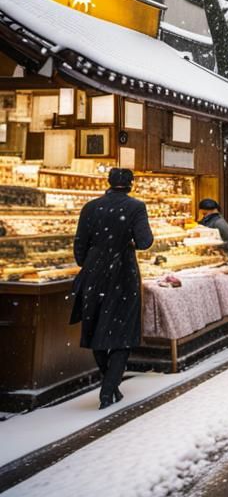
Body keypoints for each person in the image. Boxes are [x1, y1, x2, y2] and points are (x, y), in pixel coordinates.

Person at [71, 167, 153, 409]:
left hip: (94, 273)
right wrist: (125, 241)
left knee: (96, 328)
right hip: (123, 272)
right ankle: (108, 391)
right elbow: (145, 242)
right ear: (130, 185)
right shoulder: (136, 207)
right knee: (123, 334)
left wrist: (91, 262)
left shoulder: (91, 207)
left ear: (108, 183)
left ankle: (110, 385)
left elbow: (79, 246)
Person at [197, 198, 228, 268]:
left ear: (210, 210)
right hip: (224, 249)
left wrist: (218, 247)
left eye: (204, 213)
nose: (203, 215)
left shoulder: (219, 222)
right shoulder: (211, 219)